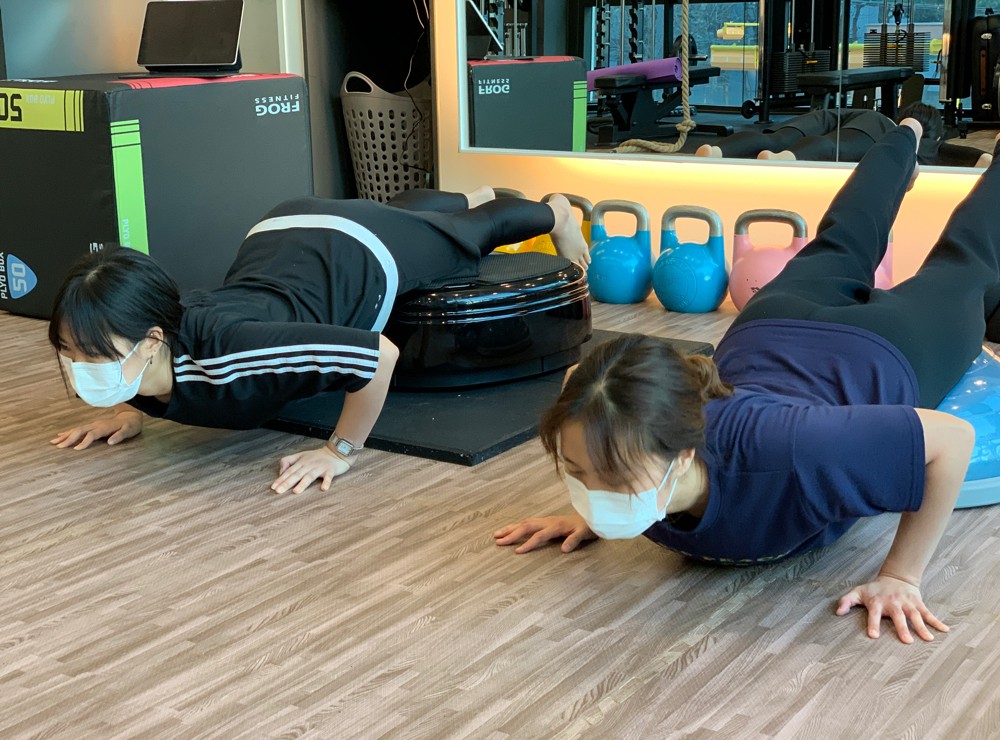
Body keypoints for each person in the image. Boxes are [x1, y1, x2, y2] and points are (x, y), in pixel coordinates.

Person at [495, 117, 1000, 644]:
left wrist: (901, 576)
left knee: (967, 264)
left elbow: (952, 439)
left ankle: (916, 138)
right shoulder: (642, 433)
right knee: (842, 238)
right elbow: (581, 380)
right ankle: (903, 137)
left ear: (684, 454)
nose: (593, 491)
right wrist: (591, 512)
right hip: (773, 323)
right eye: (578, 473)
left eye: (614, 478)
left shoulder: (794, 450)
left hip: (882, 346)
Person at [50, 188, 589, 494]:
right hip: (280, 233)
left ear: (151, 341)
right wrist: (128, 408)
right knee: (412, 219)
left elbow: (379, 356)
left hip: (356, 250)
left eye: (92, 354)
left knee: (468, 236)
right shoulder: (151, 341)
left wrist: (340, 452)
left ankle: (555, 210)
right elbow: (150, 361)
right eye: (69, 352)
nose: (77, 366)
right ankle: (456, 198)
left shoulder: (238, 351)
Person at [695, 102, 972, 166]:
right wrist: (985, 159)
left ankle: (716, 150)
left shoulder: (879, 117)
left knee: (775, 139)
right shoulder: (903, 135)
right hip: (873, 127)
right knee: (832, 145)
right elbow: (945, 151)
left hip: (832, 115)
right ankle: (785, 158)